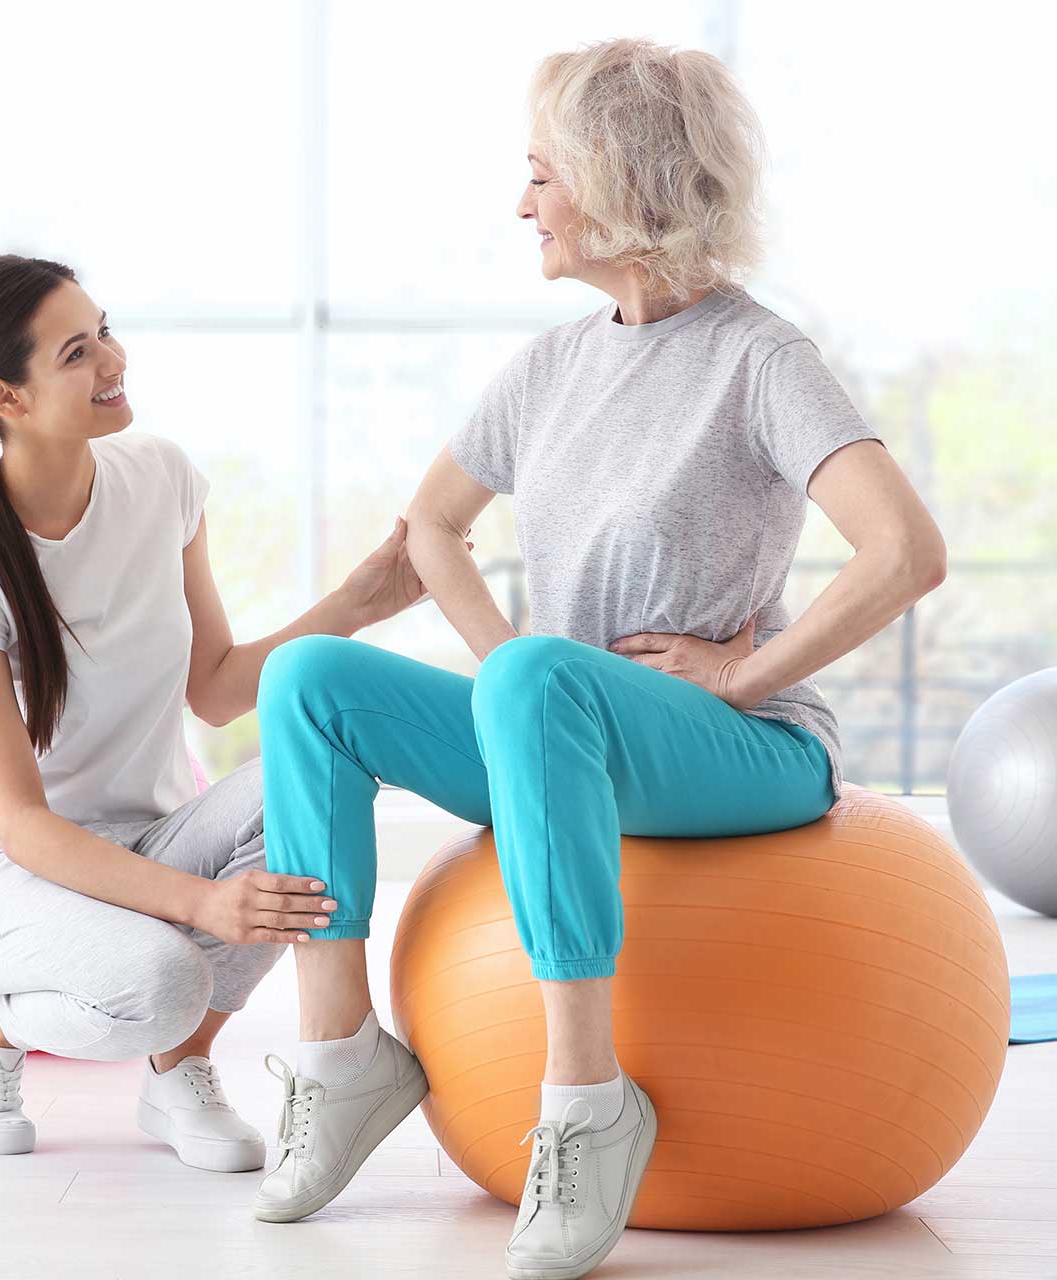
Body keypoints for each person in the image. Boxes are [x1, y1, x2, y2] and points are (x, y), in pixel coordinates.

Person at [250, 35, 947, 1280]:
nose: (521, 204)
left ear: (616, 177)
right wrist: (503, 659)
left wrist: (740, 672)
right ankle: (340, 1056)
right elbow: (430, 526)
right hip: (560, 728)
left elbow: (903, 549)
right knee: (307, 680)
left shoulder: (757, 358)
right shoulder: (550, 366)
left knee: (528, 680)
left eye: (539, 174)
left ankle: (583, 1097)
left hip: (742, 749)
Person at [0, 253, 451, 1168]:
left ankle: (179, 1067)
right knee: (163, 978)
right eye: (76, 353)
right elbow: (26, 826)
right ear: (7, 396)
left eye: (105, 330)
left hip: (142, 838)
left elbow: (218, 685)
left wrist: (356, 603)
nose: (113, 361)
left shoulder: (159, 479)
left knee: (313, 777)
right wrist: (203, 901)